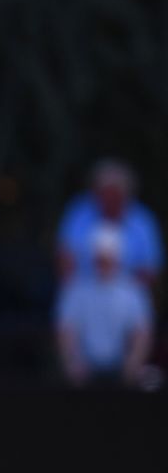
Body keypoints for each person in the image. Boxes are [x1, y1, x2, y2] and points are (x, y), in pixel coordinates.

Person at [56, 226, 154, 387]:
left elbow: (142, 333)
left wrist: (133, 363)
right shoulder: (76, 290)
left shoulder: (133, 293)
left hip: (122, 375)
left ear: (118, 258)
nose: (103, 263)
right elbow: (66, 330)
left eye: (108, 258)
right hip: (85, 375)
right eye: (100, 258)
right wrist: (72, 362)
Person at [57, 159, 163, 288]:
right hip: (83, 288)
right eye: (104, 194)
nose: (109, 200)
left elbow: (151, 268)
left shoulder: (143, 221)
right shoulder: (79, 213)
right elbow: (64, 257)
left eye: (114, 195)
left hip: (127, 293)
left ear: (126, 195)